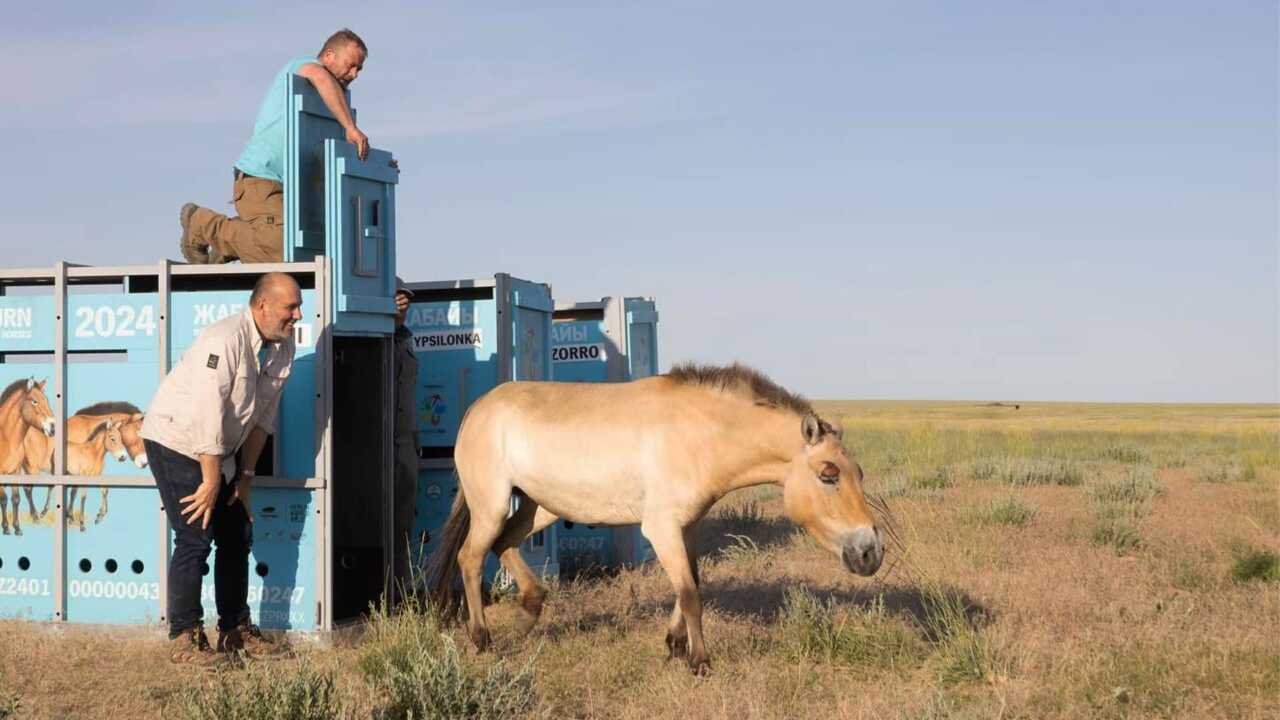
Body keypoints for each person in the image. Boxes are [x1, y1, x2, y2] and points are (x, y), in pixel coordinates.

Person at [140, 272, 301, 665]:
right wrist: (212, 479)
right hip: (177, 441)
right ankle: (185, 637)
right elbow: (206, 414)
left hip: (222, 449)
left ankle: (234, 631)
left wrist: (243, 480)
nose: (297, 315)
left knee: (237, 533)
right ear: (262, 305)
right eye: (290, 307)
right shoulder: (223, 340)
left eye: (298, 307)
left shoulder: (283, 344)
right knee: (195, 536)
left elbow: (263, 419)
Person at [179, 29, 372, 265]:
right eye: (351, 65)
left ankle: (233, 242)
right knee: (283, 251)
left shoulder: (332, 102)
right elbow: (320, 77)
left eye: (359, 69)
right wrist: (351, 127)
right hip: (261, 178)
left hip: (297, 192)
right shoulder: (303, 67)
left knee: (313, 249)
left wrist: (374, 163)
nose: (354, 74)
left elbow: (337, 149)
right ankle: (201, 223)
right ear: (329, 55)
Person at [391, 277, 421, 603]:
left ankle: (401, 593)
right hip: (379, 448)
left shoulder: (406, 340)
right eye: (397, 299)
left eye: (405, 300)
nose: (403, 305)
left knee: (403, 523)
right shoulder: (374, 340)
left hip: (405, 446)